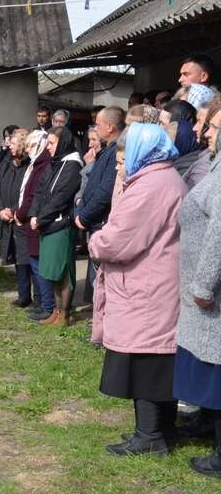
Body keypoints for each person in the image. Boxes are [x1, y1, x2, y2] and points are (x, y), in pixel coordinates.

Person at [89, 122, 184, 456]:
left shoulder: (150, 186)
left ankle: (149, 435)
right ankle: (163, 430)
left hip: (146, 288)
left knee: (144, 362)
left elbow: (119, 240)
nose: (120, 164)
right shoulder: (163, 177)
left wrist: (95, 240)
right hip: (155, 284)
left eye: (124, 157)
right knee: (157, 361)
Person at [173, 110, 221, 476]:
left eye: (214, 127)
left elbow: (218, 237)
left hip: (212, 297)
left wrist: (204, 286)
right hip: (204, 295)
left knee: (217, 374)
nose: (205, 133)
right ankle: (208, 427)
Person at [29, 126, 83, 326]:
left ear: (63, 143)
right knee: (51, 271)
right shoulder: (55, 162)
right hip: (47, 224)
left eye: (51, 143)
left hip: (60, 225)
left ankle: (64, 313)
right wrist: (34, 214)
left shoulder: (72, 166)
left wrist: (41, 218)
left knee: (62, 271)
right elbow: (39, 191)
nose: (48, 147)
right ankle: (56, 311)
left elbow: (60, 198)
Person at [75, 107, 124, 302]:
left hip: (101, 223)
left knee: (101, 283)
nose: (96, 128)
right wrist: (81, 208)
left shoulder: (116, 152)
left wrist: (84, 215)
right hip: (93, 223)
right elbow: (91, 187)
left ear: (110, 127)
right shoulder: (107, 151)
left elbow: (105, 192)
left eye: (98, 124)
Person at [15, 131, 56, 321]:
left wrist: (20, 214)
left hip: (34, 220)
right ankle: (41, 302)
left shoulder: (42, 165)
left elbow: (33, 196)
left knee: (39, 266)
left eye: (32, 146)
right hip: (28, 219)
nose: (28, 150)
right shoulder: (36, 164)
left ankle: (47, 305)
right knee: (34, 264)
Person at [0, 129, 31, 306]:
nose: (9, 145)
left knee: (25, 258)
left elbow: (29, 194)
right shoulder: (6, 163)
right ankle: (23, 295)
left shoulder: (29, 166)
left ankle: (34, 297)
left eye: (13, 143)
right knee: (16, 258)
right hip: (7, 218)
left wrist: (14, 210)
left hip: (21, 218)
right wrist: (0, 209)